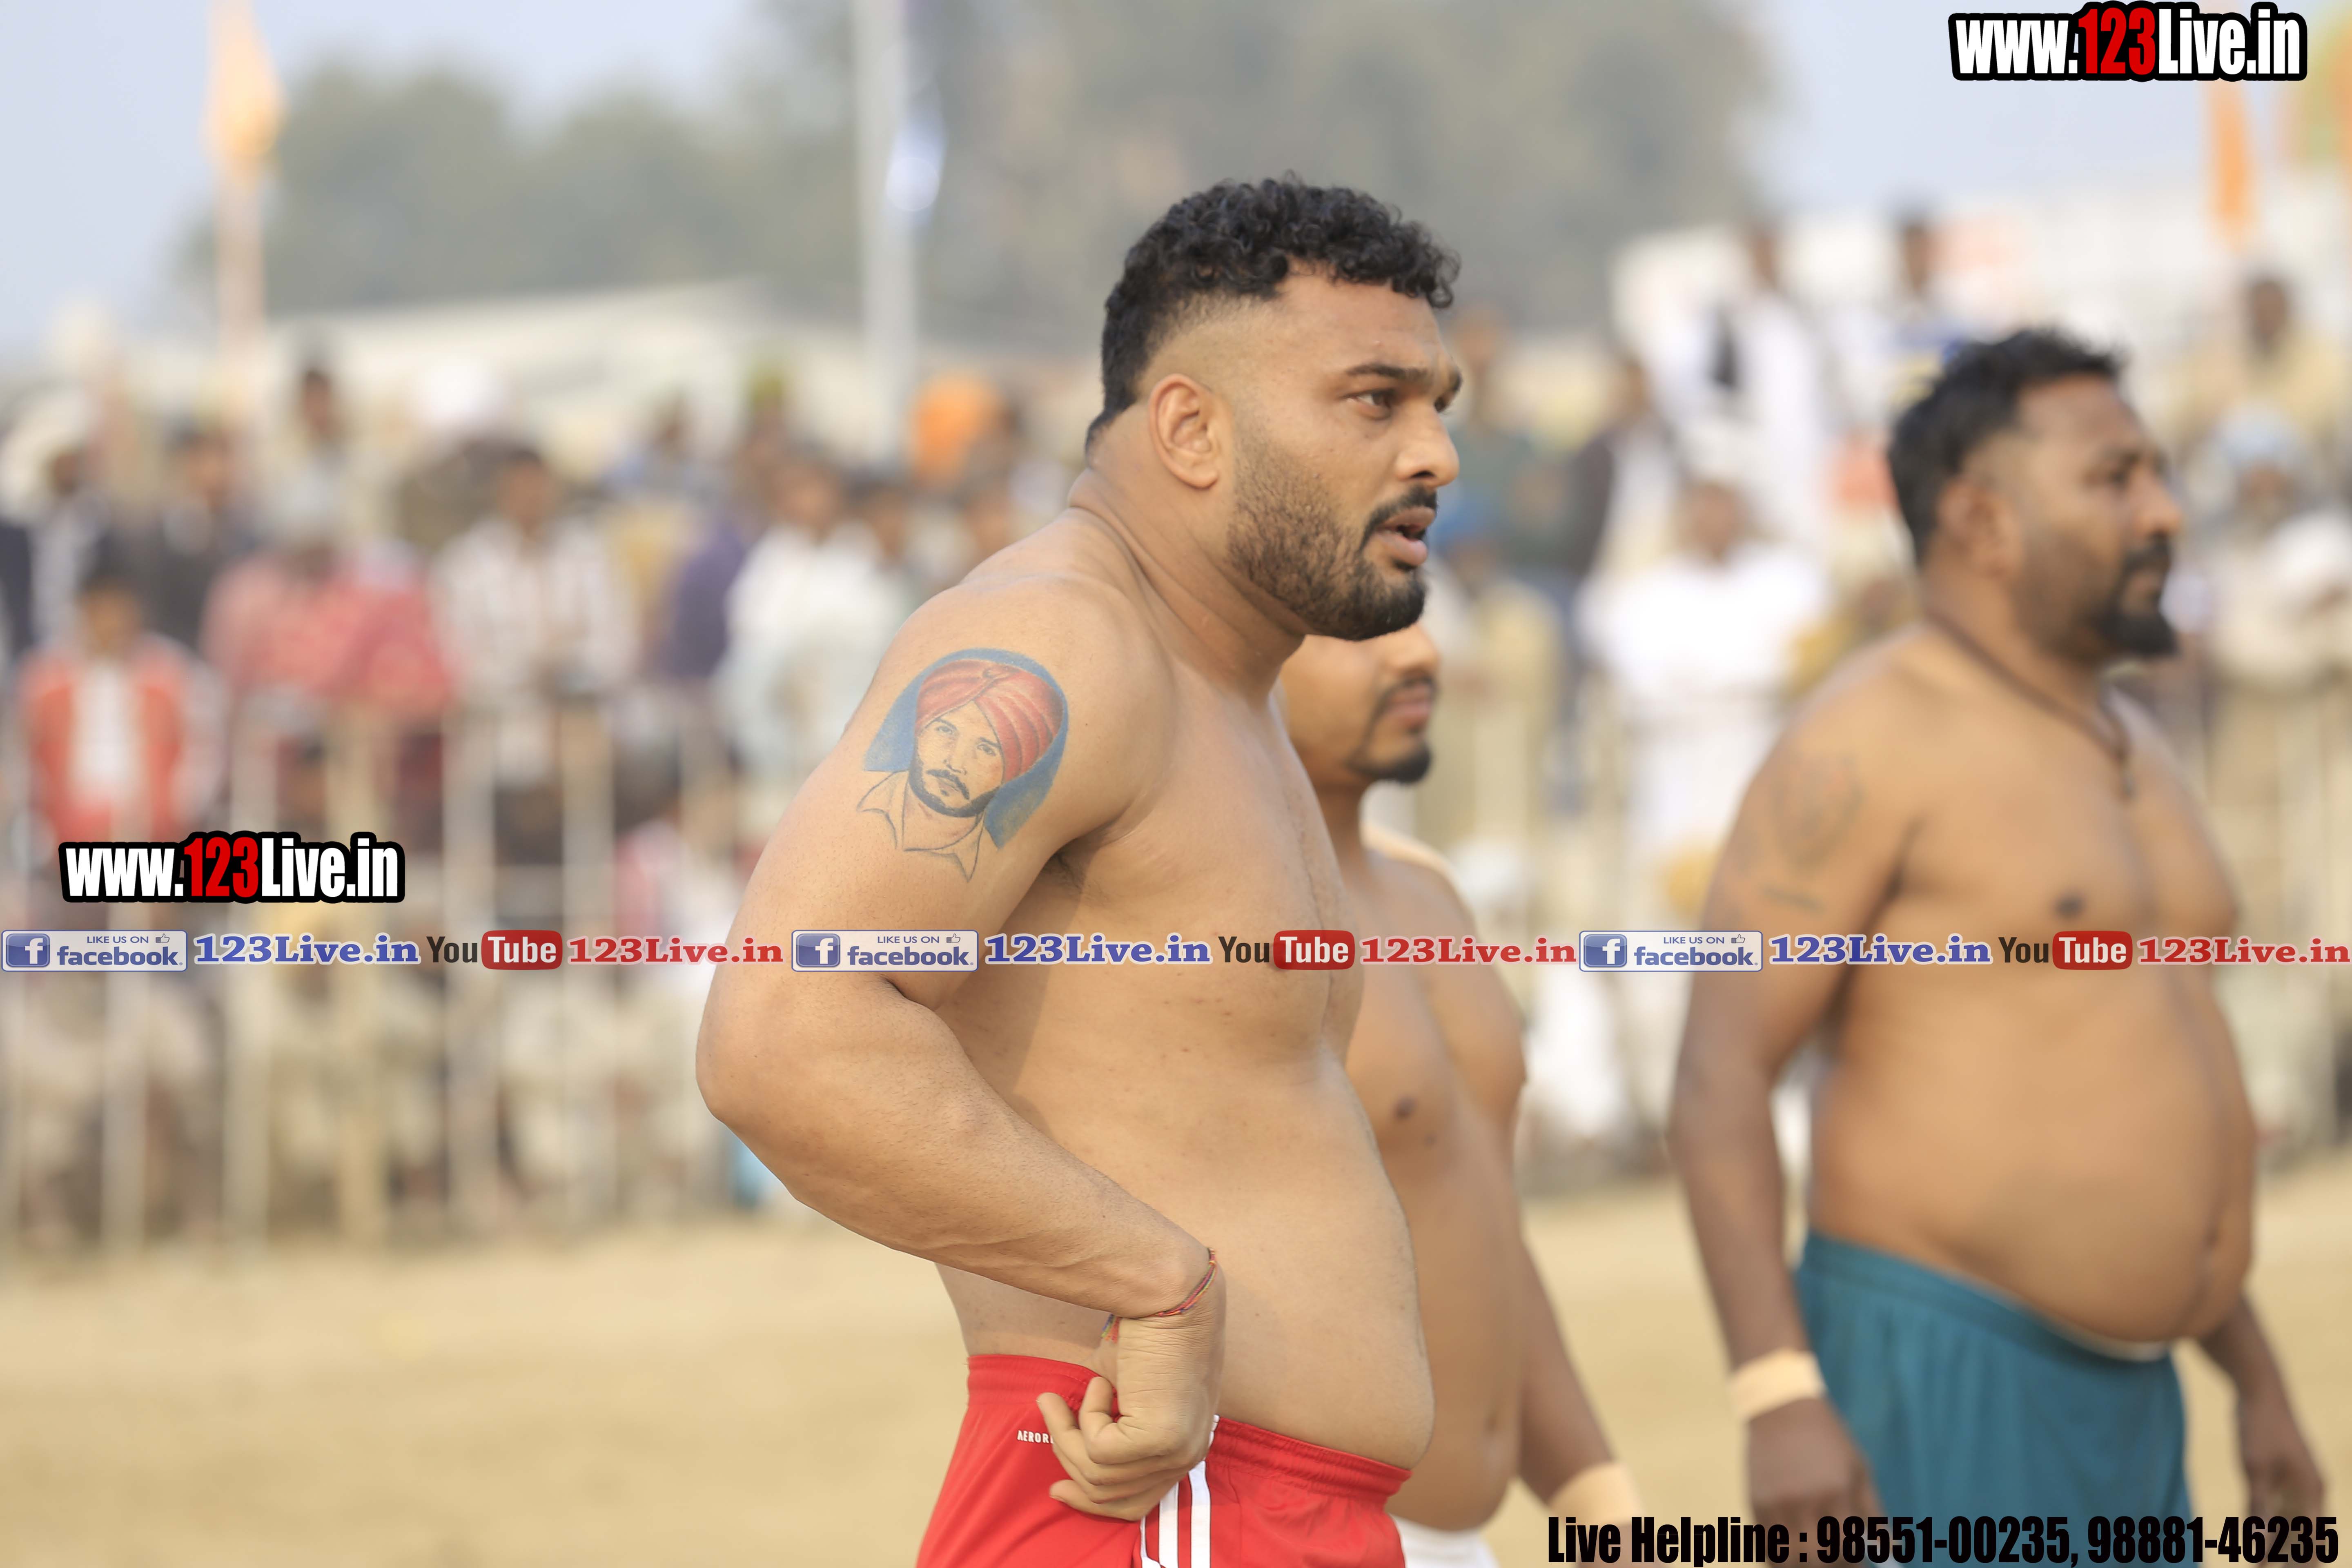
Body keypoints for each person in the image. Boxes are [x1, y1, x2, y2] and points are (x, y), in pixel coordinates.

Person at [698, 176, 1461, 1567]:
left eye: (1438, 406)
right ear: (1191, 428)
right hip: (1152, 1502)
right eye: (1375, 400)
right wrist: (1153, 1282)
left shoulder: (1218, 684)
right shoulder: (1059, 643)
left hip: (1249, 1505)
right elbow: (782, 1029)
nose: (1435, 455)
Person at [1669, 330, 2327, 1533]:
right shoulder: (1867, 738)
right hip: (1942, 1366)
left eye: (2155, 471)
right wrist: (1776, 1393)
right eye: (2113, 477)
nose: (2163, 511)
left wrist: (2257, 1377)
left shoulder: (2132, 742)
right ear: (1981, 520)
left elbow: (2139, 1073)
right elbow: (1720, 1073)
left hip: (2138, 1389)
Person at [1278, 622, 1637, 1567]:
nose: (1418, 653)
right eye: (1358, 627)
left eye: (1414, 614)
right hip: (1294, 1531)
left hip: (1457, 1539)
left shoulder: (1428, 892)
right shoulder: (1207, 925)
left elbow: (1481, 1223)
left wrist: (1606, 1508)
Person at [19, 541, 223, 847]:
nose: (111, 622)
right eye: (101, 610)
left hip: (154, 830)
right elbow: (26, 765)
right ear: (83, 611)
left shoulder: (172, 675)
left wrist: (175, 812)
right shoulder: (44, 681)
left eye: (119, 610)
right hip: (65, 831)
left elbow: (203, 756)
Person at [129, 420, 255, 651]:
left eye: (223, 459)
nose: (216, 471)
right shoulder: (161, 537)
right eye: (205, 459)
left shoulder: (249, 533)